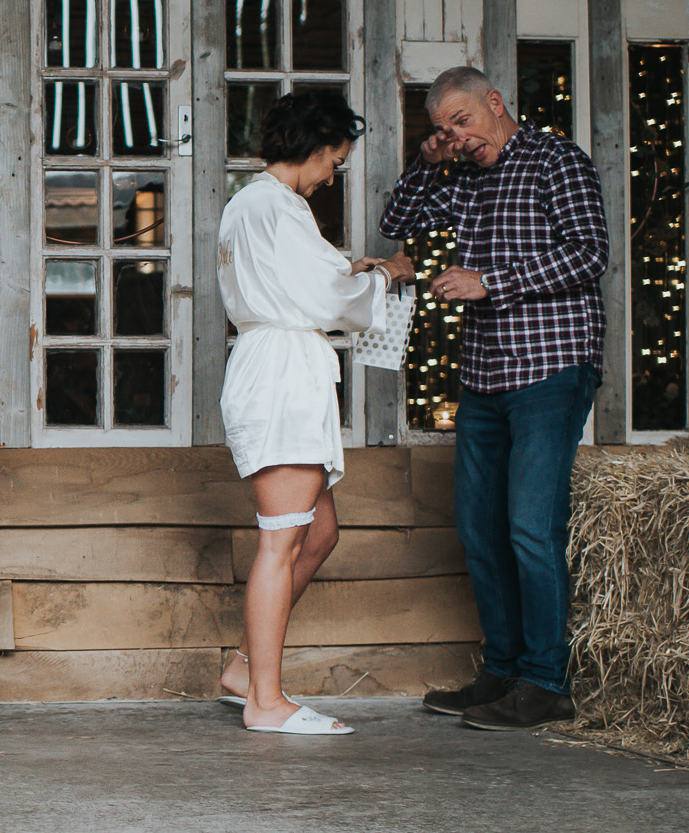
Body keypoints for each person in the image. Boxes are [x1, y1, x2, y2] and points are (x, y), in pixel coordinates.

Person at [380, 65, 608, 731]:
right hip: (483, 376)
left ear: (495, 102)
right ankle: (504, 671)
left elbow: (589, 253)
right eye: (443, 129)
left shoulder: (556, 160)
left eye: (463, 121)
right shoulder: (460, 179)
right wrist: (426, 162)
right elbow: (399, 220)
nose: (457, 136)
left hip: (551, 367)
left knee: (530, 529)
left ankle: (546, 682)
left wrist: (491, 281)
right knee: (479, 530)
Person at [217, 92, 415, 735]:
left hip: (270, 367)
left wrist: (351, 267)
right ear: (313, 148)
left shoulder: (249, 205)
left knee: (318, 532)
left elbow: (306, 275)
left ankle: (246, 669)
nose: (334, 174)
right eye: (334, 160)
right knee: (281, 540)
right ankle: (265, 702)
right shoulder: (281, 205)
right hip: (280, 375)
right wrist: (385, 278)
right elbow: (329, 298)